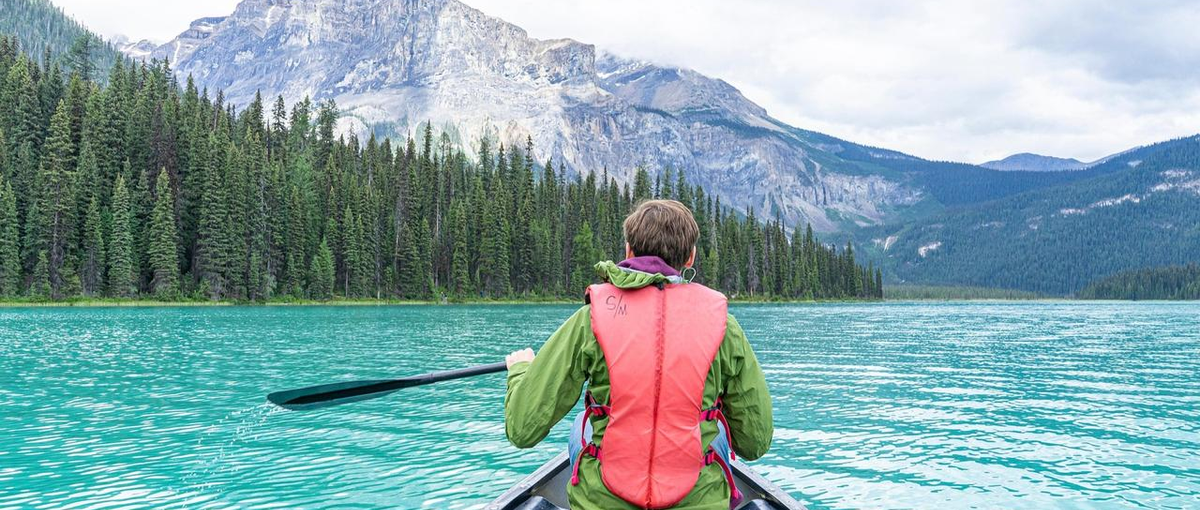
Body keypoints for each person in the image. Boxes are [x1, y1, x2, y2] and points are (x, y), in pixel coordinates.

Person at [504, 199, 773, 510]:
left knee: (582, 423)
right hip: (699, 501)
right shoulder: (725, 328)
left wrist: (521, 370)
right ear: (690, 256)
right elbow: (754, 442)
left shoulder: (590, 320)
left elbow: (522, 429)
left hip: (604, 503)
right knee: (718, 435)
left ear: (629, 250)